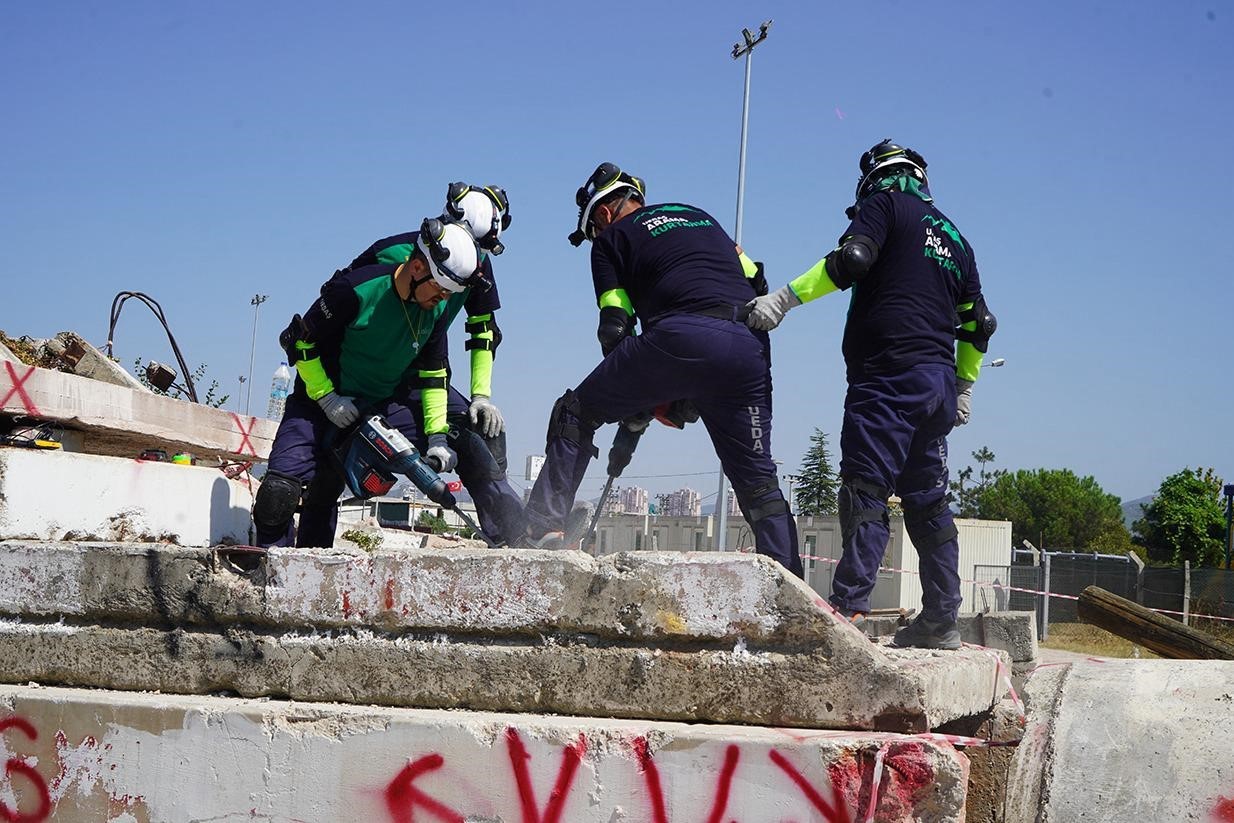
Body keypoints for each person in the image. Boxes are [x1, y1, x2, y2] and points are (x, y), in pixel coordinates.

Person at [745, 139, 996, 649]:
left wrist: (784, 300)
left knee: (866, 491)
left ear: (876, 177)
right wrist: (965, 387)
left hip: (886, 378)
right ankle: (941, 620)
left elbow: (855, 257)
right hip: (937, 385)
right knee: (929, 504)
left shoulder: (884, 205)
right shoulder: (955, 237)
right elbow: (980, 324)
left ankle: (847, 607)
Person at [522, 162, 801, 576]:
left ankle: (542, 530)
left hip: (678, 337)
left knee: (576, 412)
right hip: (746, 347)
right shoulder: (701, 217)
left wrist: (639, 399)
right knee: (758, 481)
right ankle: (790, 586)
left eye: (594, 230)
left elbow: (614, 326)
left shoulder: (612, 239)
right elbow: (755, 281)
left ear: (602, 215)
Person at [253, 219, 512, 548]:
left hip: (382, 403)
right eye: (441, 289)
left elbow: (433, 377)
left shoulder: (433, 311)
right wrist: (327, 397)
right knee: (278, 495)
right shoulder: (354, 290)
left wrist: (436, 439)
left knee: (467, 437)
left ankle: (514, 533)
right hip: (318, 403)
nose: (444, 299)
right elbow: (301, 343)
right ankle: (273, 579)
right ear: (417, 266)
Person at [341, 184, 524, 543]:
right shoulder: (389, 253)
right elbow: (340, 305)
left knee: (482, 432)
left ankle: (511, 534)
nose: (476, 259)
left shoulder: (479, 264)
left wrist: (480, 397)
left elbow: (483, 330)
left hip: (426, 373)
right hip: (364, 375)